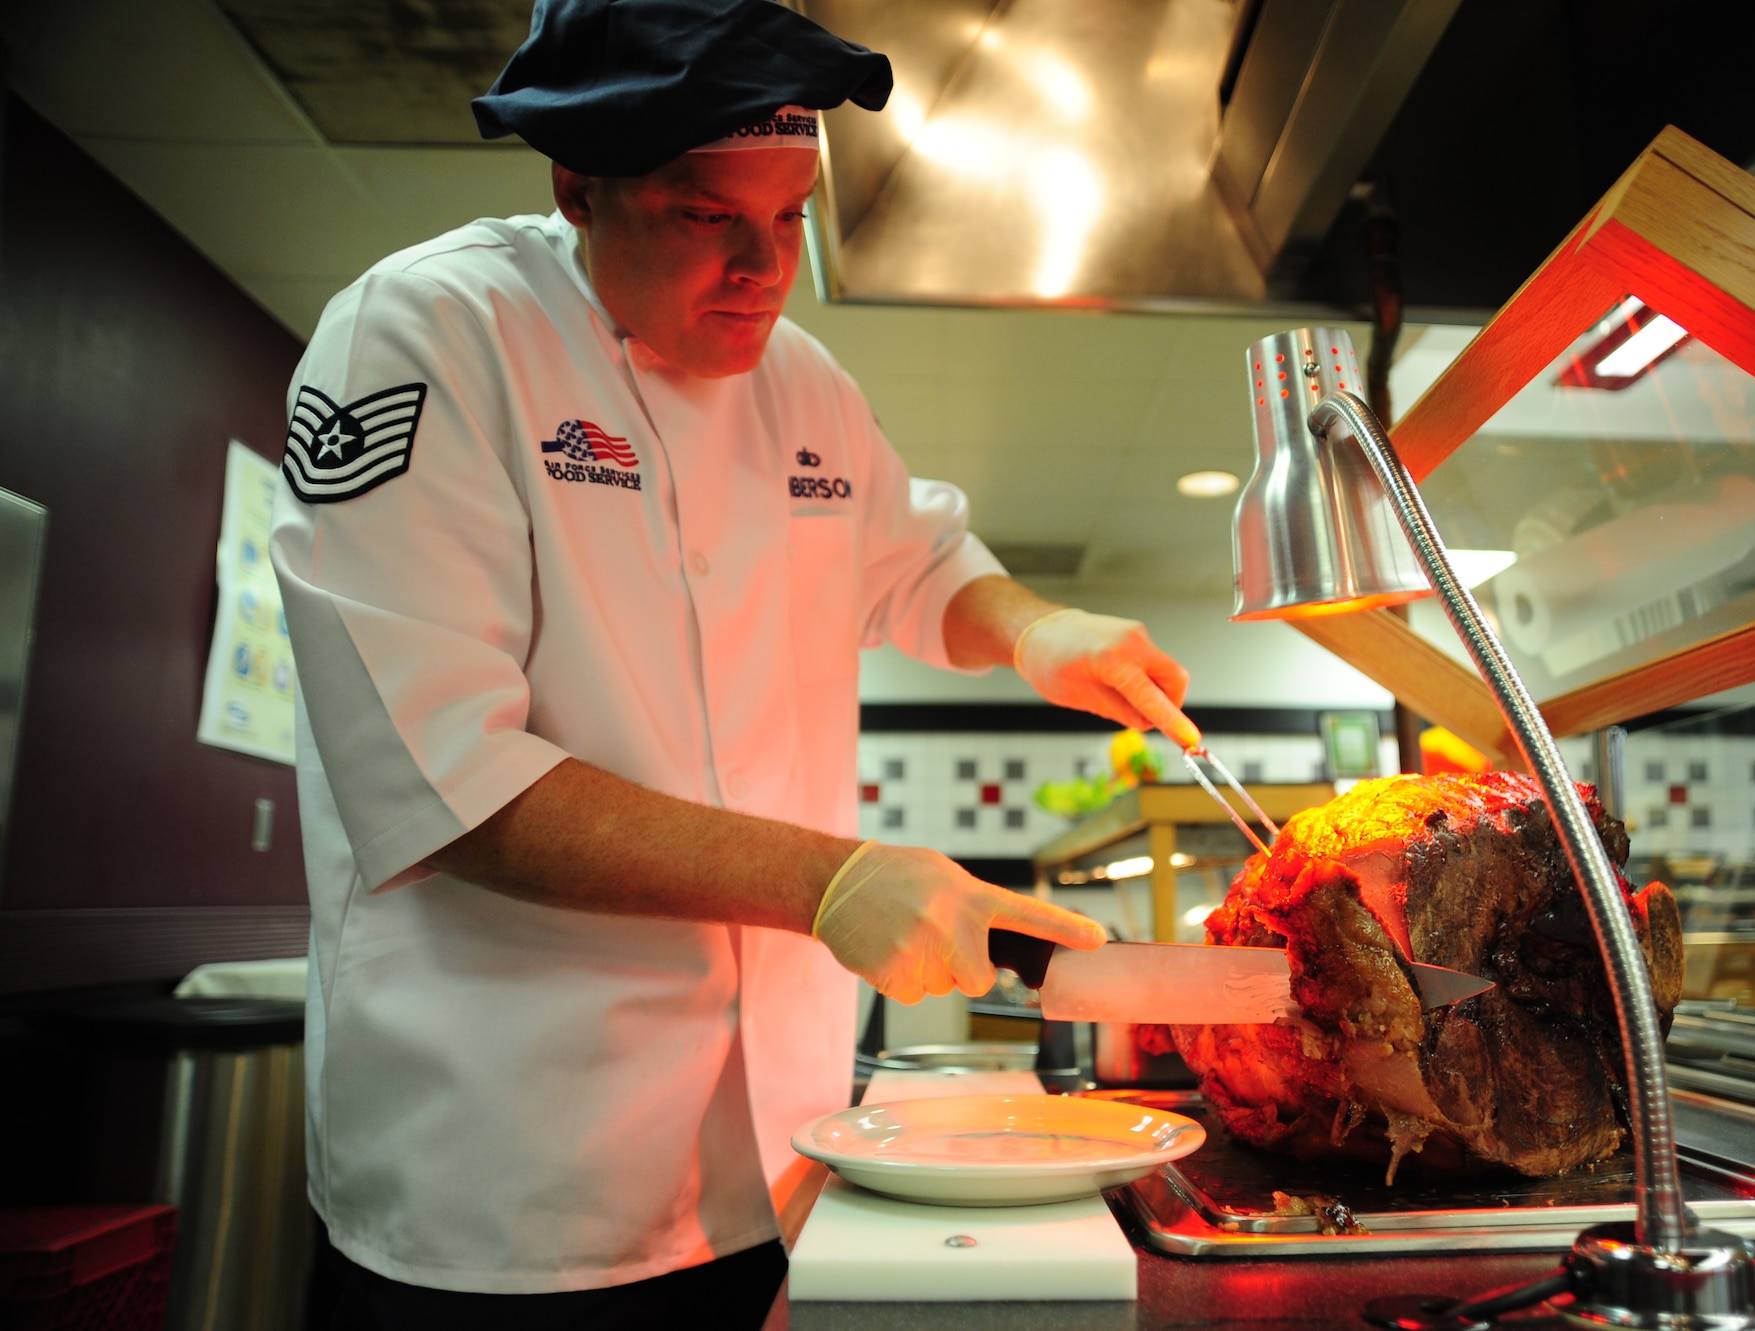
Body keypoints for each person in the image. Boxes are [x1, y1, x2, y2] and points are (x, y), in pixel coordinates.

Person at [269, 1, 1202, 1326]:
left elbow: (918, 562)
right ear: (578, 190)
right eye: (710, 218)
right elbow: (441, 779)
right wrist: (831, 883)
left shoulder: (803, 384)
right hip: (511, 1183)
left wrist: (1039, 629)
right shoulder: (426, 338)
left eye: (793, 218)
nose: (764, 269)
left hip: (779, 1146)